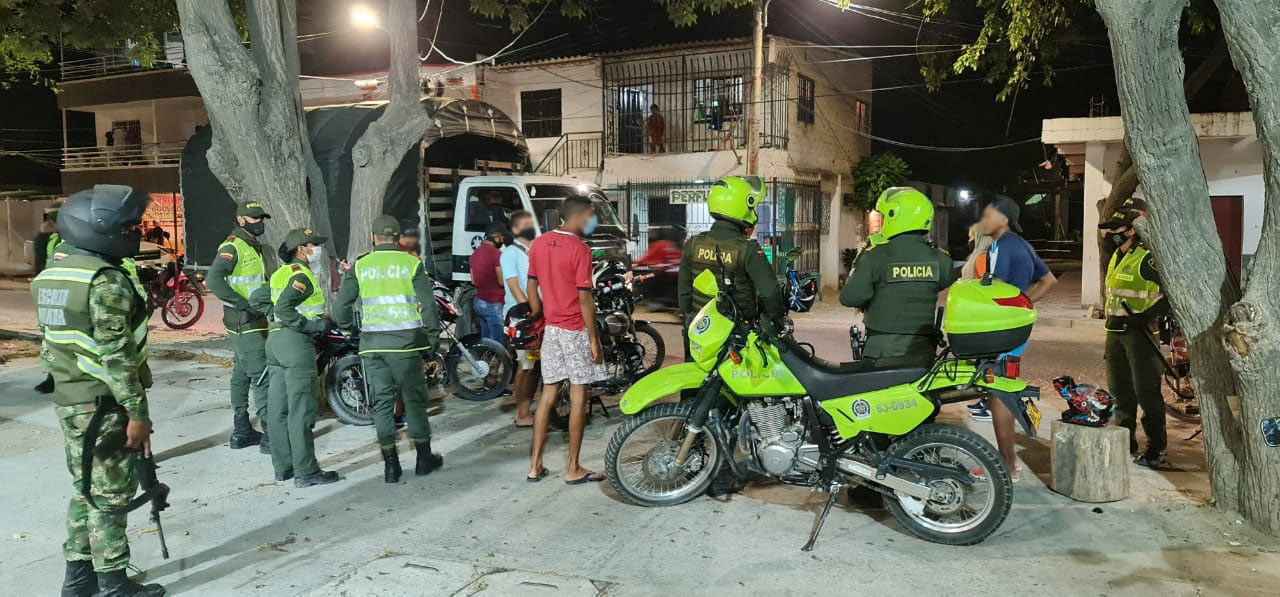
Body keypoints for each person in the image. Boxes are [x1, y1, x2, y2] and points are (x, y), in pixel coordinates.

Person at [30, 184, 165, 596]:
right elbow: (117, 354)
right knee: (110, 497)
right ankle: (113, 583)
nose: (134, 232)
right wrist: (137, 413)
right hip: (105, 404)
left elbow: (50, 343)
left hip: (72, 399)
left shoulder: (54, 274)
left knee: (85, 489)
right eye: (128, 227)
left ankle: (78, 580)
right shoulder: (104, 280)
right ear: (99, 228)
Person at [335, 216, 443, 483]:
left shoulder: (361, 265)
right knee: (414, 402)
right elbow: (428, 305)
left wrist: (351, 331)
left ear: (373, 238)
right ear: (397, 238)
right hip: (407, 346)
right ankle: (423, 459)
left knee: (382, 405)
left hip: (373, 346)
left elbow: (341, 307)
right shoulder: (411, 263)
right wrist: (432, 338)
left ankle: (391, 467)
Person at [967, 196, 1058, 480]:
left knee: (999, 392)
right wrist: (1025, 304)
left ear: (1004, 219)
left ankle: (1007, 465)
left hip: (1005, 330)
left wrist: (1017, 307)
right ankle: (1007, 461)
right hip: (1012, 327)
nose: (983, 220)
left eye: (988, 215)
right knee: (999, 390)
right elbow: (1049, 280)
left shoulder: (1005, 247)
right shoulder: (1016, 244)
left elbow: (996, 289)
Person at [248, 228, 342, 487]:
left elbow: (257, 299)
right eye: (313, 245)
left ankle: (283, 467)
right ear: (301, 249)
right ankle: (306, 471)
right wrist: (311, 326)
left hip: (275, 342)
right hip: (295, 343)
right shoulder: (302, 276)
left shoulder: (281, 273)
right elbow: (285, 306)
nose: (317, 249)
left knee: (278, 409)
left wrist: (276, 317)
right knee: (301, 410)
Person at [526, 195, 607, 485]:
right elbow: (585, 300)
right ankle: (573, 468)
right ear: (580, 215)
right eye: (591, 215)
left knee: (547, 394)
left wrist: (540, 314)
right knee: (578, 395)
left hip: (552, 330)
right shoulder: (580, 249)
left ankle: (535, 465)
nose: (592, 220)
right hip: (574, 330)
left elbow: (531, 287)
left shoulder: (539, 243)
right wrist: (594, 340)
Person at [840, 187, 955, 367]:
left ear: (894, 216)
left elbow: (850, 298)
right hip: (923, 353)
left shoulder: (875, 255)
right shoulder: (941, 259)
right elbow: (941, 283)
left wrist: (863, 255)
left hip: (882, 352)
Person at [677, 175, 785, 359]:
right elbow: (770, 292)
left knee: (697, 374)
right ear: (742, 206)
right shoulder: (748, 249)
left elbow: (684, 292)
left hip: (700, 330)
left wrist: (690, 319)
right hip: (736, 335)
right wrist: (777, 322)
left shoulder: (693, 243)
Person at [1100, 208, 1170, 468]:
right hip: (1115, 332)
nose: (1110, 234)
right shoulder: (1117, 256)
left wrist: (1146, 315)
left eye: (1115, 230)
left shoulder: (1147, 258)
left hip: (1140, 334)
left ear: (1132, 231)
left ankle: (1156, 448)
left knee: (1147, 394)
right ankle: (1124, 441)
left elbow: (1172, 296)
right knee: (1120, 392)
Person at [206, 201, 273, 452]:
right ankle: (271, 437)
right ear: (241, 220)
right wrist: (245, 305)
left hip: (248, 320)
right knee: (262, 376)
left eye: (261, 219)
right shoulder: (233, 246)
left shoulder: (251, 245)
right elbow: (214, 280)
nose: (260, 223)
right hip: (245, 321)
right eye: (255, 219)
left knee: (242, 373)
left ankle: (242, 431)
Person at [501, 210, 537, 427]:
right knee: (526, 365)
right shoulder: (510, 253)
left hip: (536, 316)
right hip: (522, 319)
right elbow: (514, 286)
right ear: (515, 229)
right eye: (525, 225)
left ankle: (526, 409)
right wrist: (529, 311)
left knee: (533, 366)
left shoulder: (532, 251)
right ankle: (522, 414)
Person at [33, 203, 63, 394]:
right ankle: (53, 377)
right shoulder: (50, 239)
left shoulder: (71, 239)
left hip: (64, 292)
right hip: (49, 293)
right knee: (51, 338)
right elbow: (40, 263)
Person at [470, 223, 507, 343]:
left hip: (479, 302)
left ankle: (486, 355)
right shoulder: (497, 254)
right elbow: (501, 281)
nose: (502, 241)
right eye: (502, 237)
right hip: (494, 302)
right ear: (496, 237)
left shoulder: (474, 254)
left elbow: (473, 281)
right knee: (498, 342)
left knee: (486, 341)